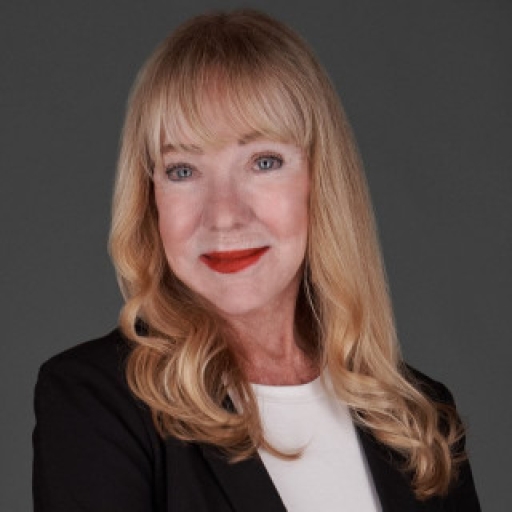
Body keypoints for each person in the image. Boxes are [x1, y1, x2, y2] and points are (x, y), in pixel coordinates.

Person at [32, 9, 481, 512]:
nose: (224, 215)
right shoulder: (93, 402)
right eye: (183, 170)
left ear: (320, 182)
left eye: (264, 162)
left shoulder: (419, 421)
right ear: (149, 198)